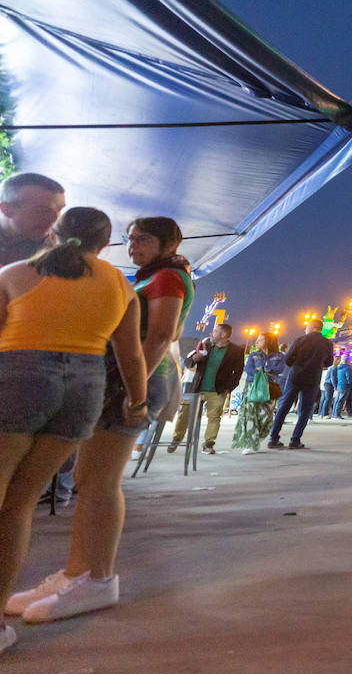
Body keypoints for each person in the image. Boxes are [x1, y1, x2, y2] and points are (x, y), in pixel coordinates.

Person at [11, 215, 193, 626]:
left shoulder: (166, 278)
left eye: (143, 239)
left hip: (136, 381)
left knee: (99, 482)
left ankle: (95, 579)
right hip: (124, 382)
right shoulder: (151, 276)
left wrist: (137, 391)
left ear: (168, 242)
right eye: (130, 240)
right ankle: (80, 573)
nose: (134, 247)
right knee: (90, 480)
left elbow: (160, 335)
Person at [0, 208, 147, 650]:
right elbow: (132, 356)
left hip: (20, 377)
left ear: (54, 232)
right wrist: (137, 403)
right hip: (84, 390)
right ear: (106, 245)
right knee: (19, 505)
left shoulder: (14, 273)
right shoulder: (122, 285)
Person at [169, 323, 244, 454]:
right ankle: (176, 439)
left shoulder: (236, 351)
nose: (211, 333)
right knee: (184, 413)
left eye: (215, 331)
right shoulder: (205, 344)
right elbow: (187, 361)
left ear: (223, 335)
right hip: (197, 387)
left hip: (218, 390)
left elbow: (238, 372)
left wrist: (228, 388)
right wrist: (195, 358)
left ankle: (208, 443)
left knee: (214, 417)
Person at [267, 319, 333, 449]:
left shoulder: (300, 340)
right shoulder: (328, 343)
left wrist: (295, 366)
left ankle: (273, 438)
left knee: (284, 406)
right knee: (305, 410)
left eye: (306, 327)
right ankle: (295, 440)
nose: (305, 330)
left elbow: (288, 358)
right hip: (313, 378)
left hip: (295, 376)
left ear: (312, 327)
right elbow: (329, 362)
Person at [233, 332, 283, 453]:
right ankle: (250, 442)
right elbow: (248, 369)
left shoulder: (279, 356)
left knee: (266, 416)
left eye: (260, 339)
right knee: (251, 414)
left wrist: (265, 370)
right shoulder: (254, 355)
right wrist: (260, 374)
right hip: (253, 387)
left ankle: (259, 437)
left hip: (270, 388)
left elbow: (279, 369)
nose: (257, 341)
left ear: (269, 341)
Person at [0, 173, 65, 265]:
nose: (54, 219)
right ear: (7, 209)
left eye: (59, 210)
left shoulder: (54, 245)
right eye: (43, 211)